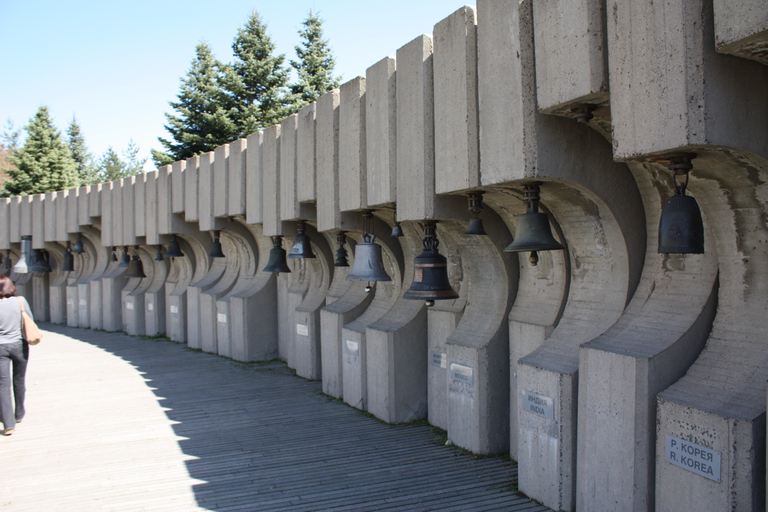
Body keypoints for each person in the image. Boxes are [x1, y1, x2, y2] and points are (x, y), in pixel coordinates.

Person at [0, 275, 31, 436]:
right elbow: (29, 320)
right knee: (19, 380)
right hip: (19, 345)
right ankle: (19, 413)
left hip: (0, 348)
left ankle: (8, 423)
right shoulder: (20, 301)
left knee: (2, 385)